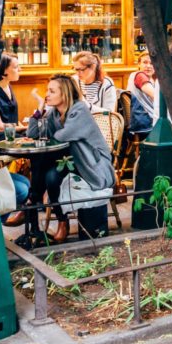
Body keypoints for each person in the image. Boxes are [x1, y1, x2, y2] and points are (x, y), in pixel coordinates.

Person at [25, 74, 115, 243]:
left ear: (65, 93)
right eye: (47, 91)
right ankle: (61, 220)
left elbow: (62, 135)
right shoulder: (53, 113)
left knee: (45, 164)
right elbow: (33, 134)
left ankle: (31, 203)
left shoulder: (80, 110)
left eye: (52, 91)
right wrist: (39, 110)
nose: (47, 94)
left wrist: (49, 133)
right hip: (69, 161)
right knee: (47, 172)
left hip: (91, 165)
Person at [0, 52, 31, 223]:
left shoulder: (8, 86)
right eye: (15, 66)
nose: (20, 69)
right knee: (22, 187)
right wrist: (24, 127)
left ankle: (34, 205)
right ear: (4, 70)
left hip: (11, 139)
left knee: (28, 181)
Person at [128, 52, 159, 126]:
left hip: (141, 120)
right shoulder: (139, 76)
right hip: (146, 121)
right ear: (139, 64)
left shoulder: (151, 79)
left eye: (152, 63)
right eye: (145, 62)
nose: (148, 66)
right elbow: (157, 97)